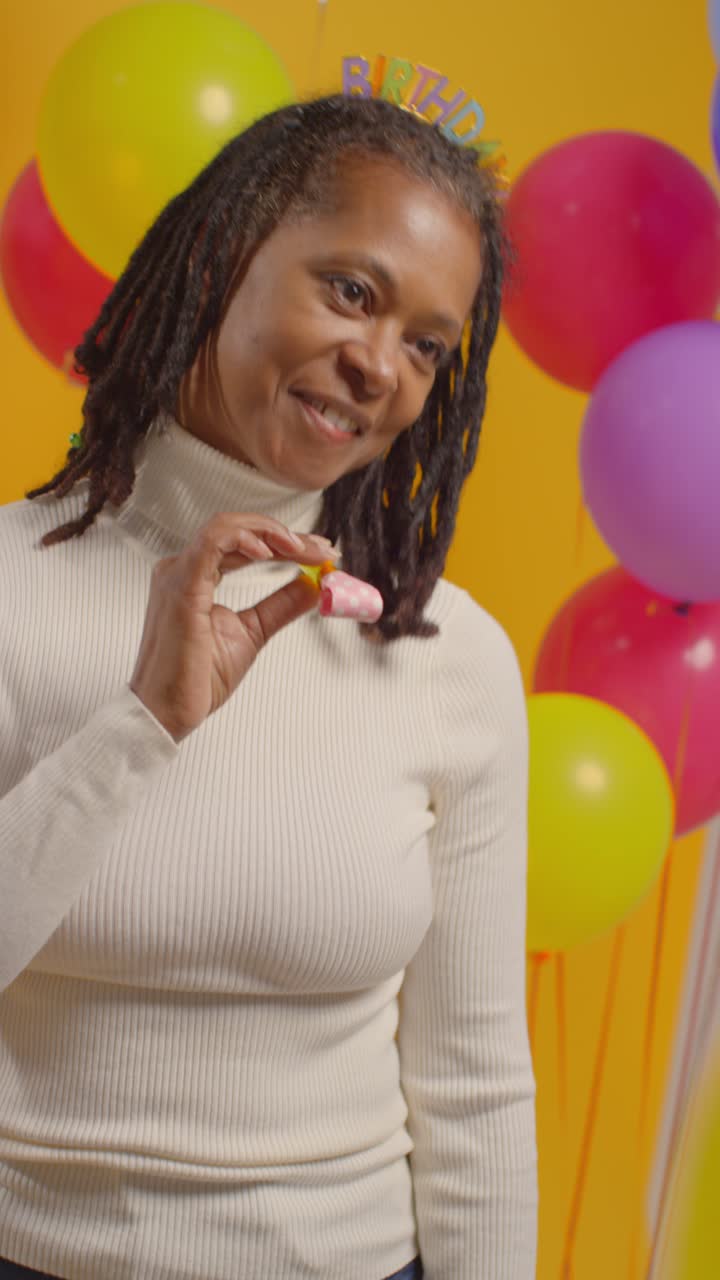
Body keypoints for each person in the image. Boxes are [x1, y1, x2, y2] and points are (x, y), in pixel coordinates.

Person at [0, 93, 537, 1279]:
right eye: (351, 290)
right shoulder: (9, 588)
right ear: (224, 256)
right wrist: (140, 726)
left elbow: (475, 1079)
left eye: (426, 345)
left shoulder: (448, 654)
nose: (379, 364)